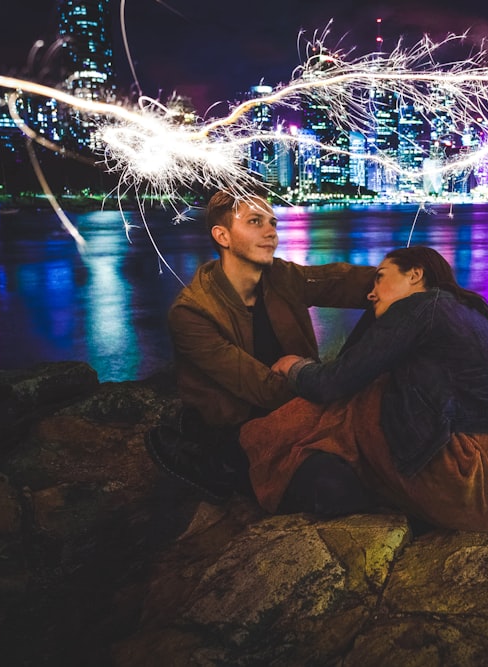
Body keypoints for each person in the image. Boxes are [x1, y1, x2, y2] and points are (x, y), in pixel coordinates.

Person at [245, 246, 488, 531]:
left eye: (381, 276)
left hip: (470, 476)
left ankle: (261, 447)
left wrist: (294, 366)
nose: (371, 292)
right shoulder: (470, 314)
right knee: (374, 390)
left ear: (415, 275)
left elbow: (335, 382)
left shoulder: (423, 305)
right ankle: (306, 464)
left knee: (365, 394)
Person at [145, 185, 375, 502]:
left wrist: (409, 277)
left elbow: (342, 282)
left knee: (394, 302)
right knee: (338, 487)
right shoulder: (193, 313)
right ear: (222, 236)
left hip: (300, 409)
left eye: (272, 223)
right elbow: (264, 390)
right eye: (255, 222)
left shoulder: (279, 277)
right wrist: (329, 385)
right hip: (242, 431)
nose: (271, 233)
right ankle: (218, 470)